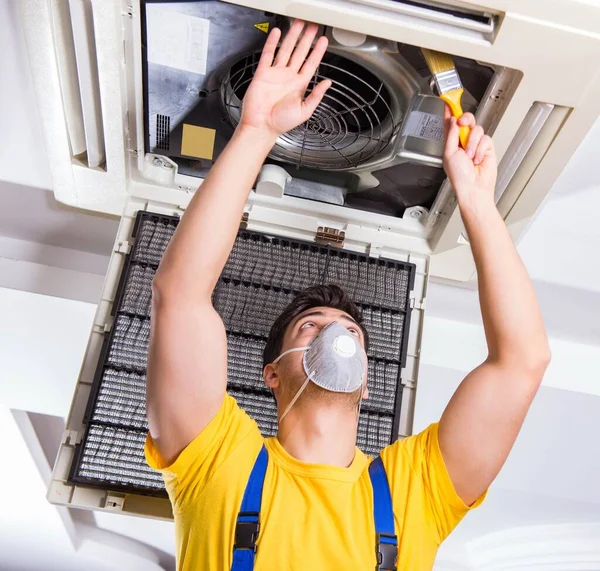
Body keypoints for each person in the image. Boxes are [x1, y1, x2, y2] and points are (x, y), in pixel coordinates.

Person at [144, 20, 550, 571]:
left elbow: (523, 361)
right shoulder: (216, 461)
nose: (335, 332)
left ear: (365, 381)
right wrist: (256, 132)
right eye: (311, 326)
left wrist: (477, 203)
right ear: (273, 372)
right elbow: (181, 295)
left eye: (349, 332)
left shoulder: (415, 489)